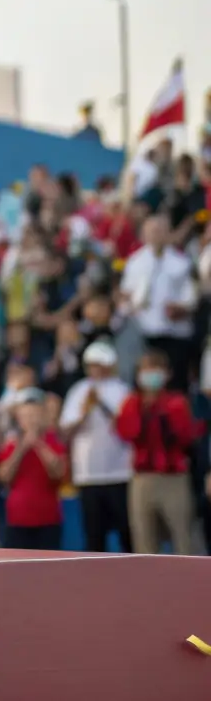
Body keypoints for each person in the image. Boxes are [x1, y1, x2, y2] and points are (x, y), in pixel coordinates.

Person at [115, 349, 195, 555]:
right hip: (143, 478)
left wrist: (158, 410)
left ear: (167, 374)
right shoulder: (131, 402)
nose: (150, 374)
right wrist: (144, 409)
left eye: (155, 369)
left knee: (183, 536)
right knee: (143, 538)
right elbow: (126, 432)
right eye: (145, 369)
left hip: (173, 478)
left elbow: (184, 436)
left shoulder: (177, 402)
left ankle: (190, 584)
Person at [58, 340, 133, 553]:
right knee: (94, 536)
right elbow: (65, 431)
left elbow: (126, 428)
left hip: (120, 472)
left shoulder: (123, 390)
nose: (96, 368)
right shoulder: (78, 390)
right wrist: (84, 412)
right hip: (88, 475)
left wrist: (101, 404)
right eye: (92, 364)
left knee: (126, 533)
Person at [120, 212, 197, 391]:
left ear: (168, 233)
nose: (156, 235)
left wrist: (182, 308)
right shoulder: (135, 262)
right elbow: (126, 295)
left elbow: (191, 296)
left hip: (175, 333)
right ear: (144, 234)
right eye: (152, 231)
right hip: (144, 332)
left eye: (160, 230)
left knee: (175, 385)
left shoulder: (182, 261)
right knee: (145, 385)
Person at [0, 389, 68, 551]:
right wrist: (22, 448)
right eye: (26, 416)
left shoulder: (54, 442)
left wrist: (39, 444)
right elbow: (4, 476)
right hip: (18, 520)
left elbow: (59, 473)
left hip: (48, 519)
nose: (31, 420)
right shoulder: (11, 445)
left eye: (35, 415)